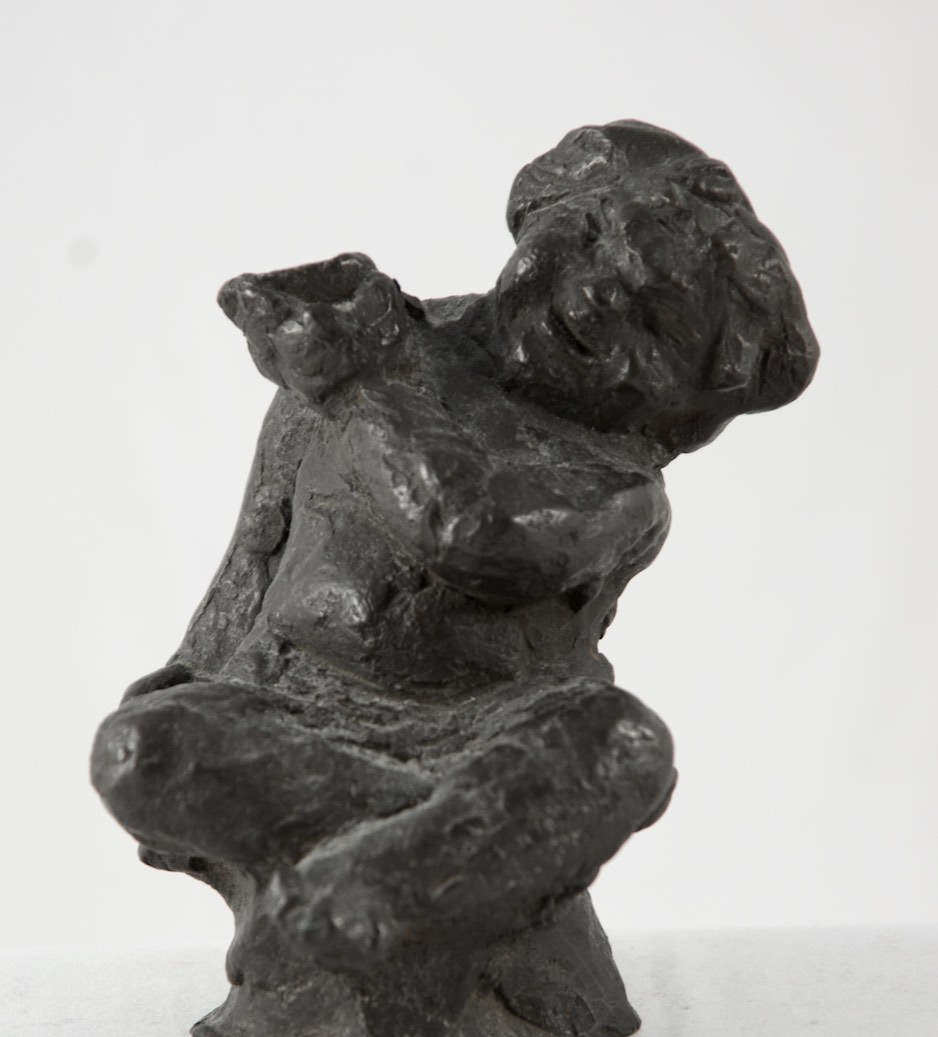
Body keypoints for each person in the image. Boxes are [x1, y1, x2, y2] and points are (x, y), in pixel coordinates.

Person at [92, 120, 817, 974]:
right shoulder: (375, 345)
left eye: (651, 319)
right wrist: (195, 664)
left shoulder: (619, 485)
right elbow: (261, 539)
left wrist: (359, 382)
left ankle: (370, 893)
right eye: (587, 237)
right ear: (534, 214)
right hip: (302, 721)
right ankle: (416, 863)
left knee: (620, 743)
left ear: (679, 402)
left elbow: (478, 536)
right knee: (141, 746)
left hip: (494, 731)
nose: (595, 295)